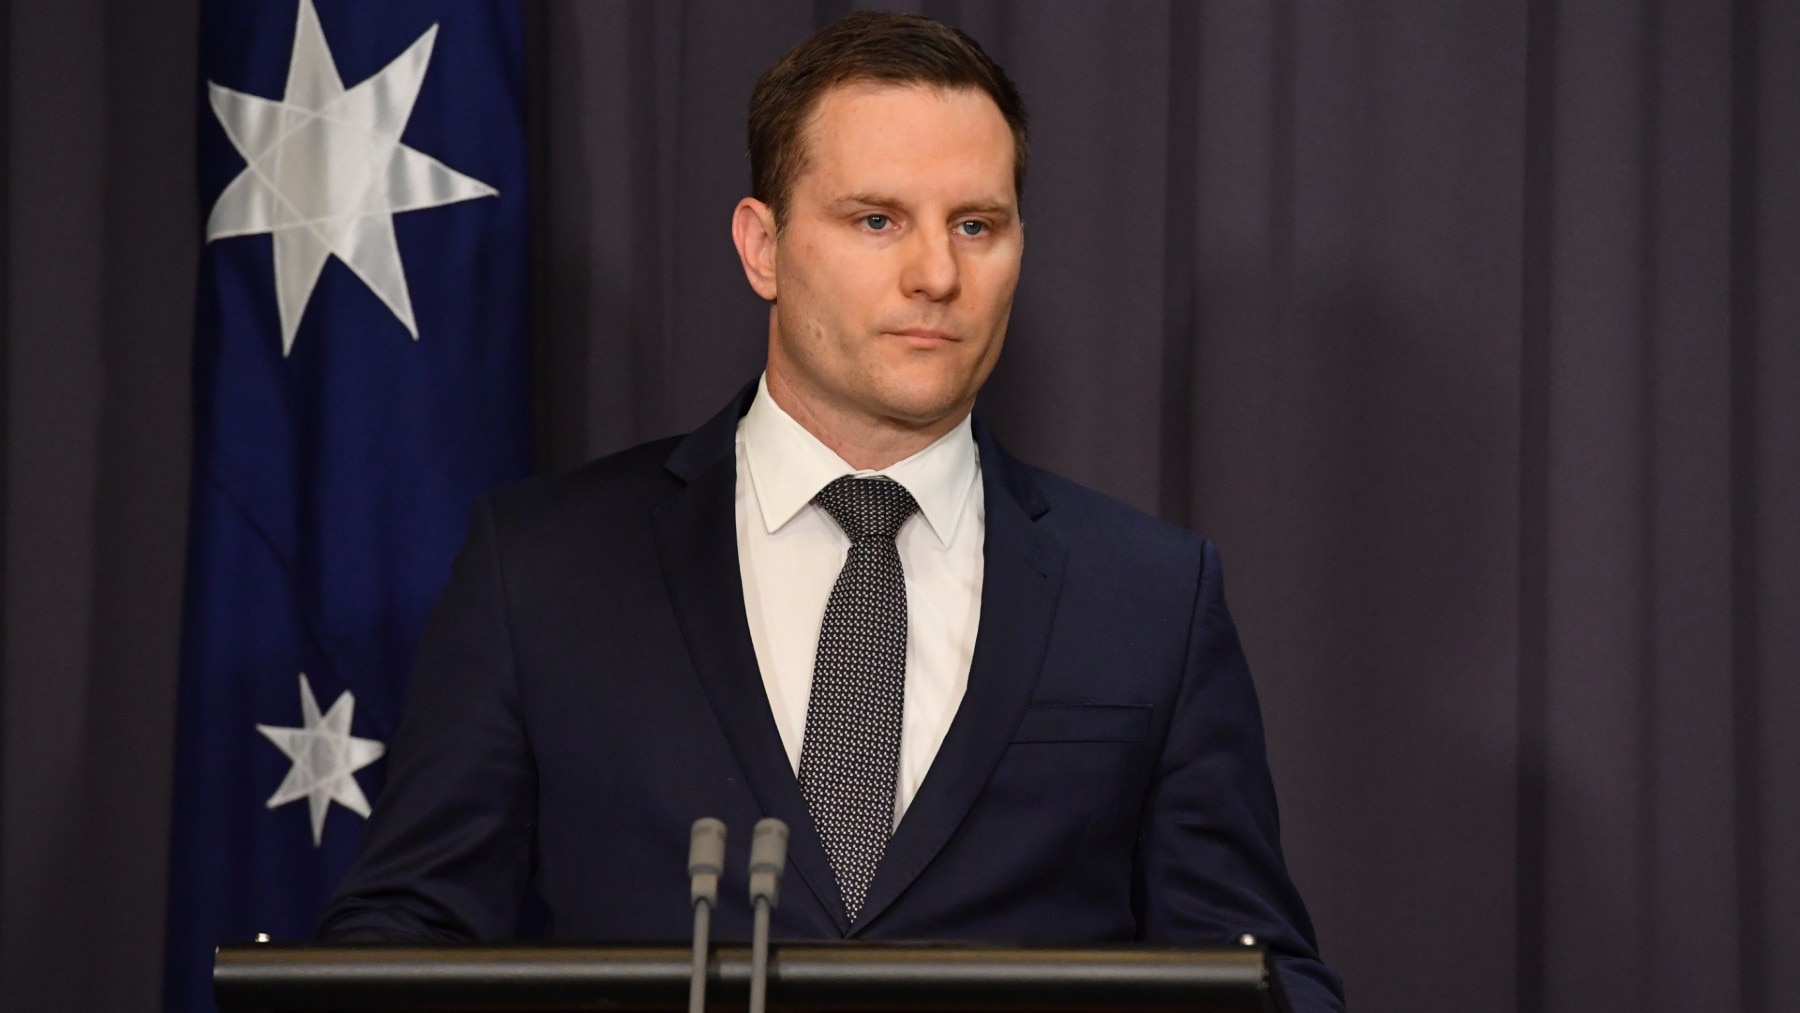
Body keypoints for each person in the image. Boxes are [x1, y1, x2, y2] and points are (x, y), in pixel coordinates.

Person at [320, 11, 1345, 1011]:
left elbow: (1260, 974)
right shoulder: (544, 567)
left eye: (976, 226)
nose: (937, 275)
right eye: (876, 220)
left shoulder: (1149, 597)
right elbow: (404, 940)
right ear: (763, 246)